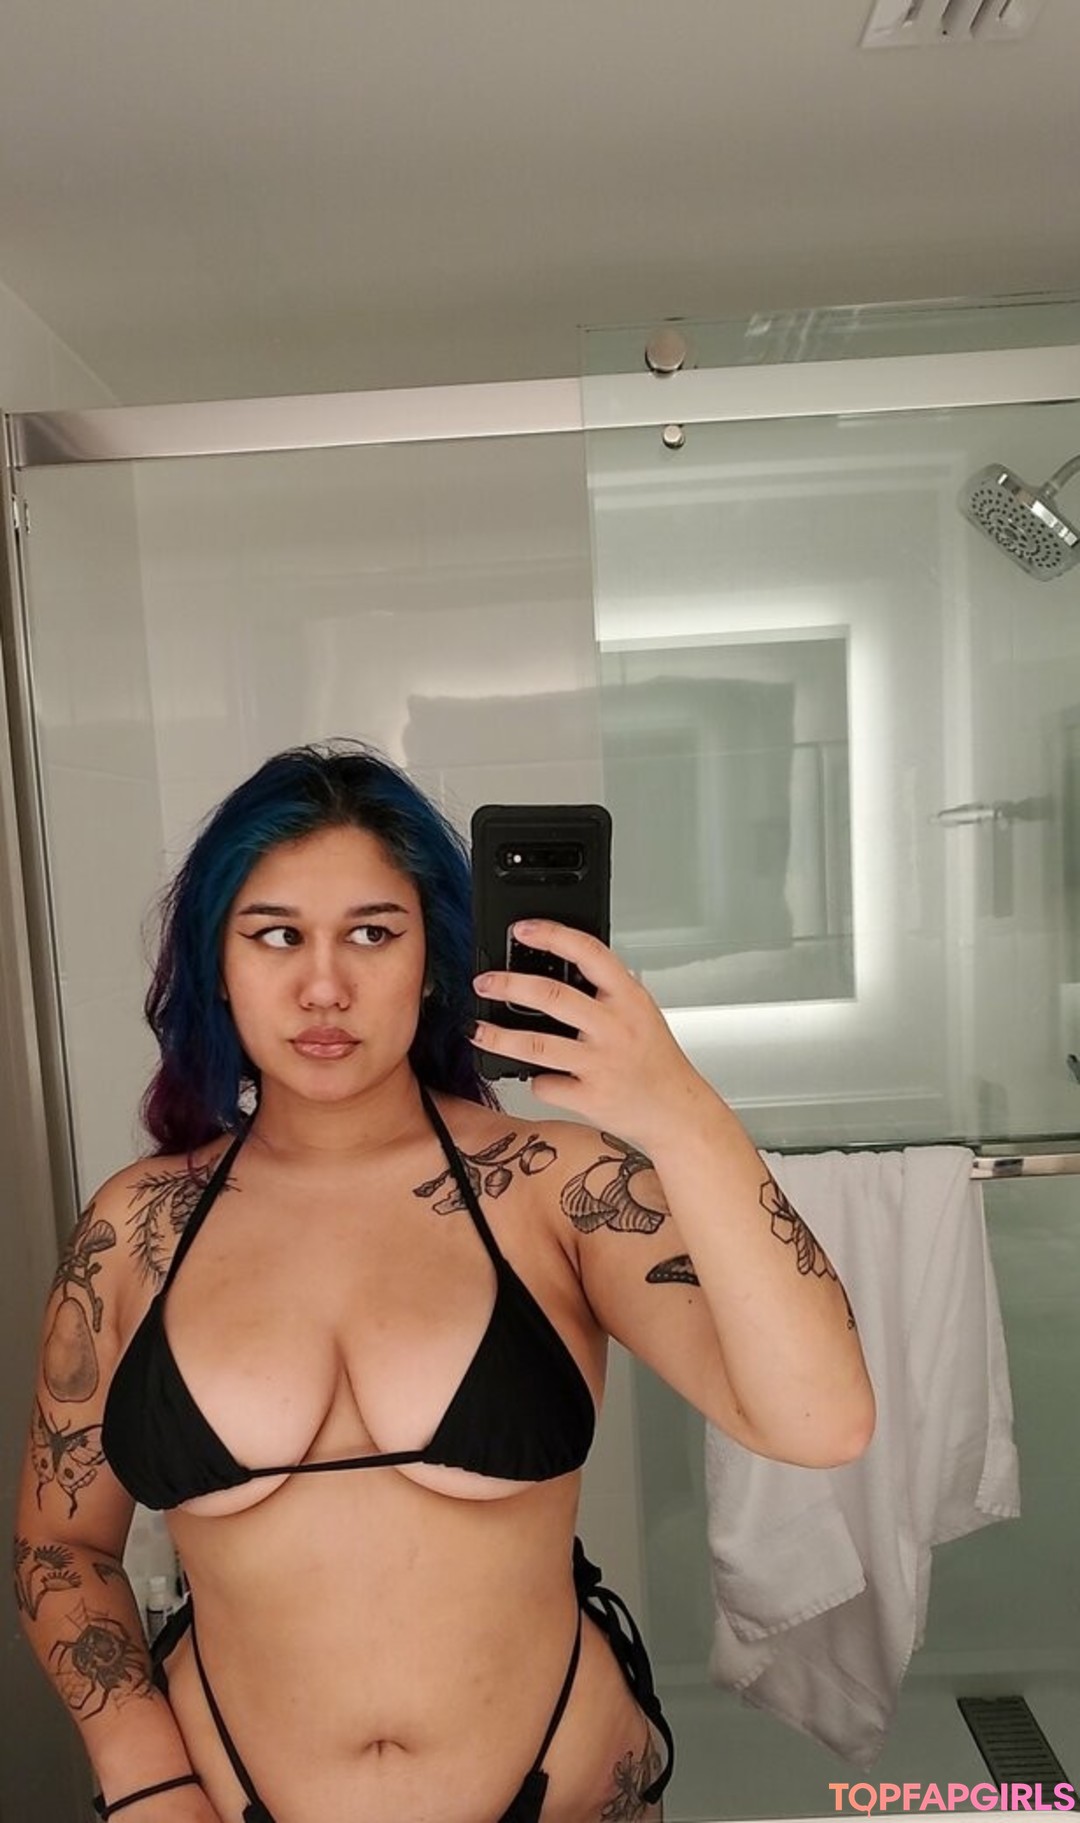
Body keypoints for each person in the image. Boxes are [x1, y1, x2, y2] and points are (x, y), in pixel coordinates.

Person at [14, 740, 874, 1823]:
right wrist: (146, 1775)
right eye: (276, 934)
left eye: (373, 933)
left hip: (565, 1792)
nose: (324, 986)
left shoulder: (558, 1187)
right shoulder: (137, 1227)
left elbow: (821, 1419)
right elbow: (61, 1543)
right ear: (217, 963)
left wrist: (678, 1109)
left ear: (432, 960)